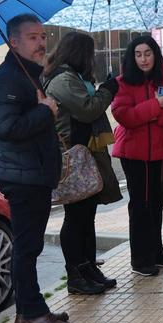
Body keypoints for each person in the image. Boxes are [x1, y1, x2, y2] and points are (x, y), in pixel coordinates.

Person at [0, 13, 77, 323]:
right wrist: (45, 110)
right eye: (32, 37)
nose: (41, 43)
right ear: (14, 42)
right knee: (26, 248)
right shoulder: (7, 79)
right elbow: (6, 128)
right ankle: (32, 315)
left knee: (30, 246)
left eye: (42, 36)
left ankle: (29, 311)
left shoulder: (27, 74)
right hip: (22, 176)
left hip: (33, 173)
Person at [41, 31, 122, 295]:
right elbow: (88, 109)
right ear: (79, 53)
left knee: (87, 215)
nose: (93, 57)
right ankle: (75, 275)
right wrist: (107, 91)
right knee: (76, 217)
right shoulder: (63, 79)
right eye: (91, 52)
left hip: (85, 154)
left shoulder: (73, 76)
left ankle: (88, 268)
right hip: (74, 157)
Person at [111, 35, 163, 276]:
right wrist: (156, 107)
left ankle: (156, 252)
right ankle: (140, 259)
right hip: (135, 154)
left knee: (157, 203)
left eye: (147, 53)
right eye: (138, 54)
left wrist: (161, 116)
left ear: (155, 55)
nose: (143, 59)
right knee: (140, 206)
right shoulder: (123, 83)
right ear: (132, 57)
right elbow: (124, 115)